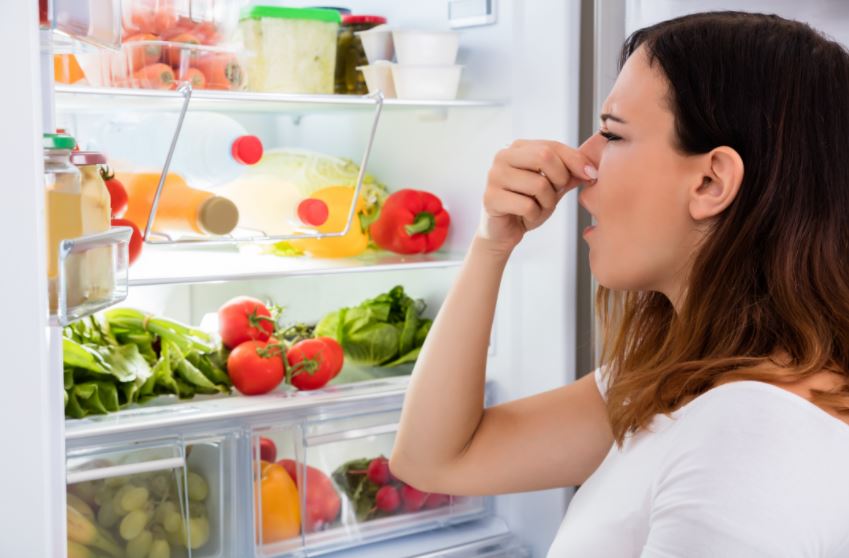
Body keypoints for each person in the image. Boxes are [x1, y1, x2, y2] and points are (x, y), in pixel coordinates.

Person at [389, 11, 849, 557]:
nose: (583, 161)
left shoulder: (748, 431)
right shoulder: (689, 381)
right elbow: (436, 459)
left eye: (612, 133)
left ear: (710, 181)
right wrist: (492, 244)